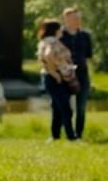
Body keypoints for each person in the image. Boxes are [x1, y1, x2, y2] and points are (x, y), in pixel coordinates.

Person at [37, 19, 79, 141]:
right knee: (66, 109)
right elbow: (48, 56)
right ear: (55, 30)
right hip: (55, 78)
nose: (62, 31)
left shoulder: (45, 41)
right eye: (60, 28)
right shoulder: (52, 42)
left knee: (57, 108)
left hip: (52, 78)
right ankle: (71, 136)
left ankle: (55, 136)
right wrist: (55, 73)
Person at [60, 7, 93, 138]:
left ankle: (79, 134)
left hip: (82, 74)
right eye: (75, 18)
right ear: (66, 19)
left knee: (81, 107)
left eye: (79, 18)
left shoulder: (85, 36)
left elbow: (88, 57)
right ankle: (68, 134)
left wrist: (92, 78)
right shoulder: (60, 35)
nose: (78, 20)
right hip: (64, 75)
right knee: (64, 107)